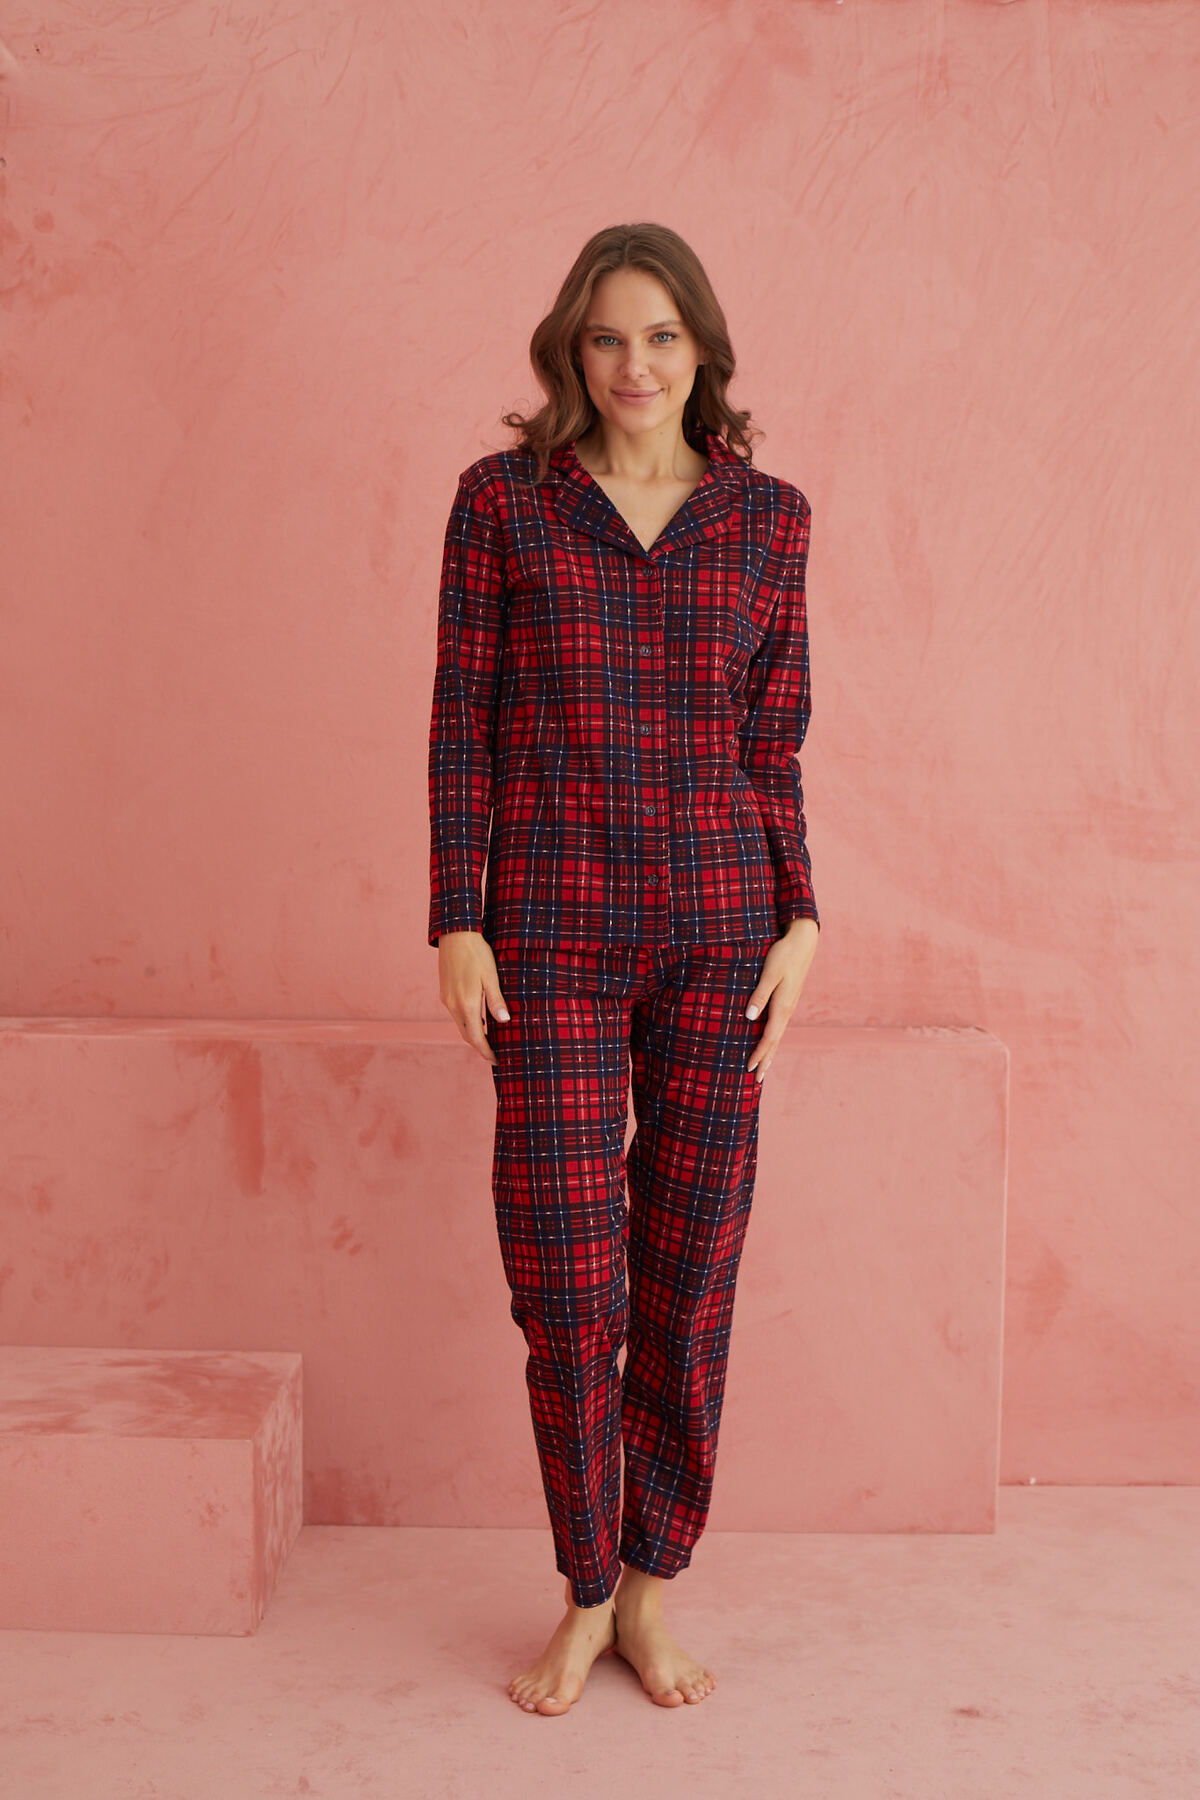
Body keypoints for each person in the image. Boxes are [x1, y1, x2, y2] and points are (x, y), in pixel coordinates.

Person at [427, 222, 821, 1715]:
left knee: (692, 1269)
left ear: (701, 348)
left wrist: (804, 917)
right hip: (547, 934)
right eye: (607, 337)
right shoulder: (504, 503)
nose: (635, 364)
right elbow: (461, 719)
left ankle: (649, 1591)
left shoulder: (770, 520)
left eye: (661, 335)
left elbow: (773, 743)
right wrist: (456, 917)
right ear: (570, 352)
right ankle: (584, 1587)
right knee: (564, 1273)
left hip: (725, 934)